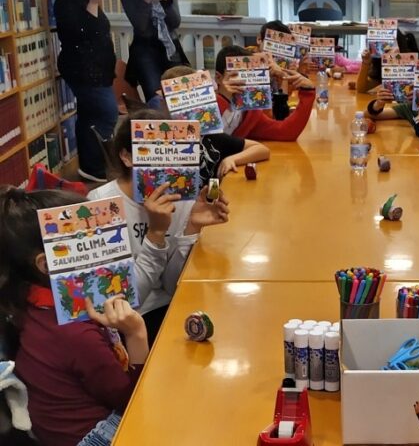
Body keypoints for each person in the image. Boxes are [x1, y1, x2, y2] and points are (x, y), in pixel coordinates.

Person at [1, 187, 148, 445]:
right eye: (90, 244)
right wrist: (136, 334)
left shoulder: (31, 301)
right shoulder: (74, 333)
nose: (110, 251)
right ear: (46, 265)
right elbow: (134, 403)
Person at [88, 109, 230, 344]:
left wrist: (191, 228)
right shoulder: (100, 204)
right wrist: (155, 234)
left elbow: (174, 286)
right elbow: (124, 303)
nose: (166, 163)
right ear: (127, 157)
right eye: (153, 152)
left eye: (174, 152)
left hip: (171, 306)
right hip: (130, 320)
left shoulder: (182, 198)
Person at [53, 0, 117, 183]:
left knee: (89, 115)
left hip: (98, 68)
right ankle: (97, 164)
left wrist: (94, 2)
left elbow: (100, 30)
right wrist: (92, 3)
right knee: (107, 112)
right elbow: (80, 33)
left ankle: (92, 168)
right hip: (83, 69)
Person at [157, 65, 271, 185]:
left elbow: (262, 150)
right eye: (175, 100)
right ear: (163, 103)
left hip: (211, 199)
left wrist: (232, 159)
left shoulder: (211, 137)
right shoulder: (157, 143)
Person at [119, 0, 189, 100]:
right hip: (145, 50)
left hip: (170, 47)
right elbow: (141, 27)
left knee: (179, 94)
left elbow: (175, 22)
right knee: (155, 96)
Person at [214, 45, 316, 141]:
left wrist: (308, 92)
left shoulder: (250, 113)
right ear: (218, 78)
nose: (243, 81)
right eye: (236, 75)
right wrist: (224, 98)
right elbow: (203, 141)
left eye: (249, 75)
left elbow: (284, 131)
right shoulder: (206, 106)